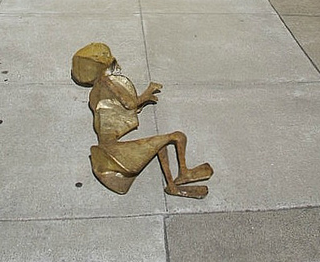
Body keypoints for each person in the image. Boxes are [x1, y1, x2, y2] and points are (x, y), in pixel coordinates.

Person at [71, 42, 213, 199]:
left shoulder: (95, 92)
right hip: (112, 152)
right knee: (178, 136)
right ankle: (183, 174)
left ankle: (174, 184)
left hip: (106, 149)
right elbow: (130, 104)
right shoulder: (107, 81)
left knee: (160, 145)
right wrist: (147, 92)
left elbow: (123, 110)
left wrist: (144, 99)